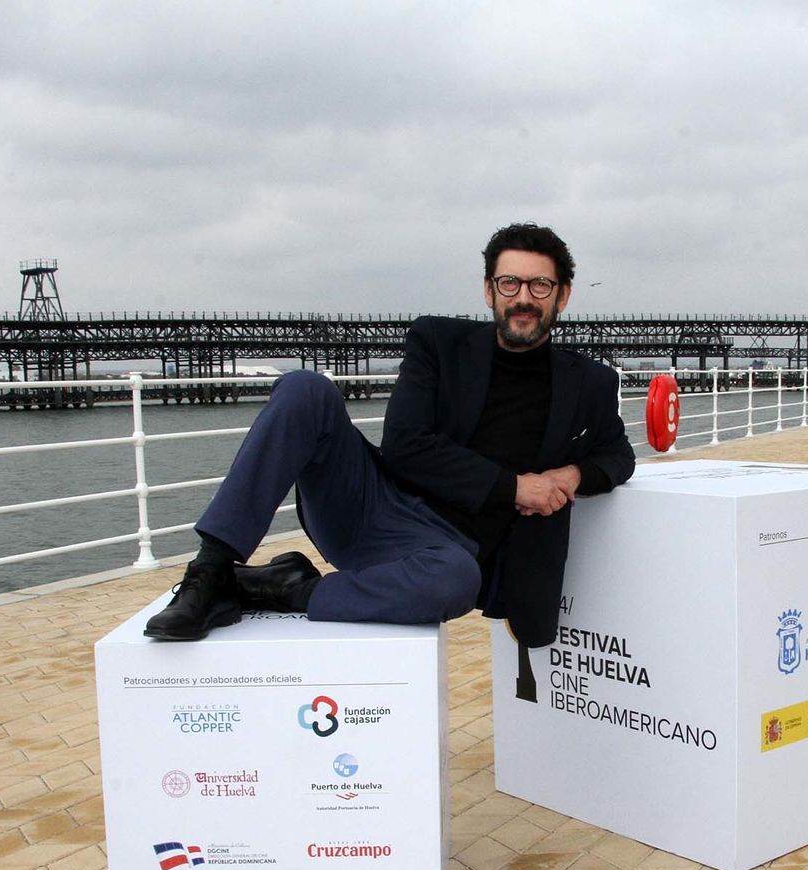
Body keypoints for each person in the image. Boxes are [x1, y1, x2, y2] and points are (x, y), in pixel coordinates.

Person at [143, 222, 636, 649]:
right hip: (373, 505)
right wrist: (515, 487)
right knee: (305, 390)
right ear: (488, 290)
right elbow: (404, 444)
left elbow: (618, 455)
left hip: (444, 554)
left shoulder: (587, 382)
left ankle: (277, 589)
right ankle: (209, 572)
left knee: (456, 581)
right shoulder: (438, 343)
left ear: (563, 295)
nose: (523, 298)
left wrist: (570, 474)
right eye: (510, 283)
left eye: (539, 286)